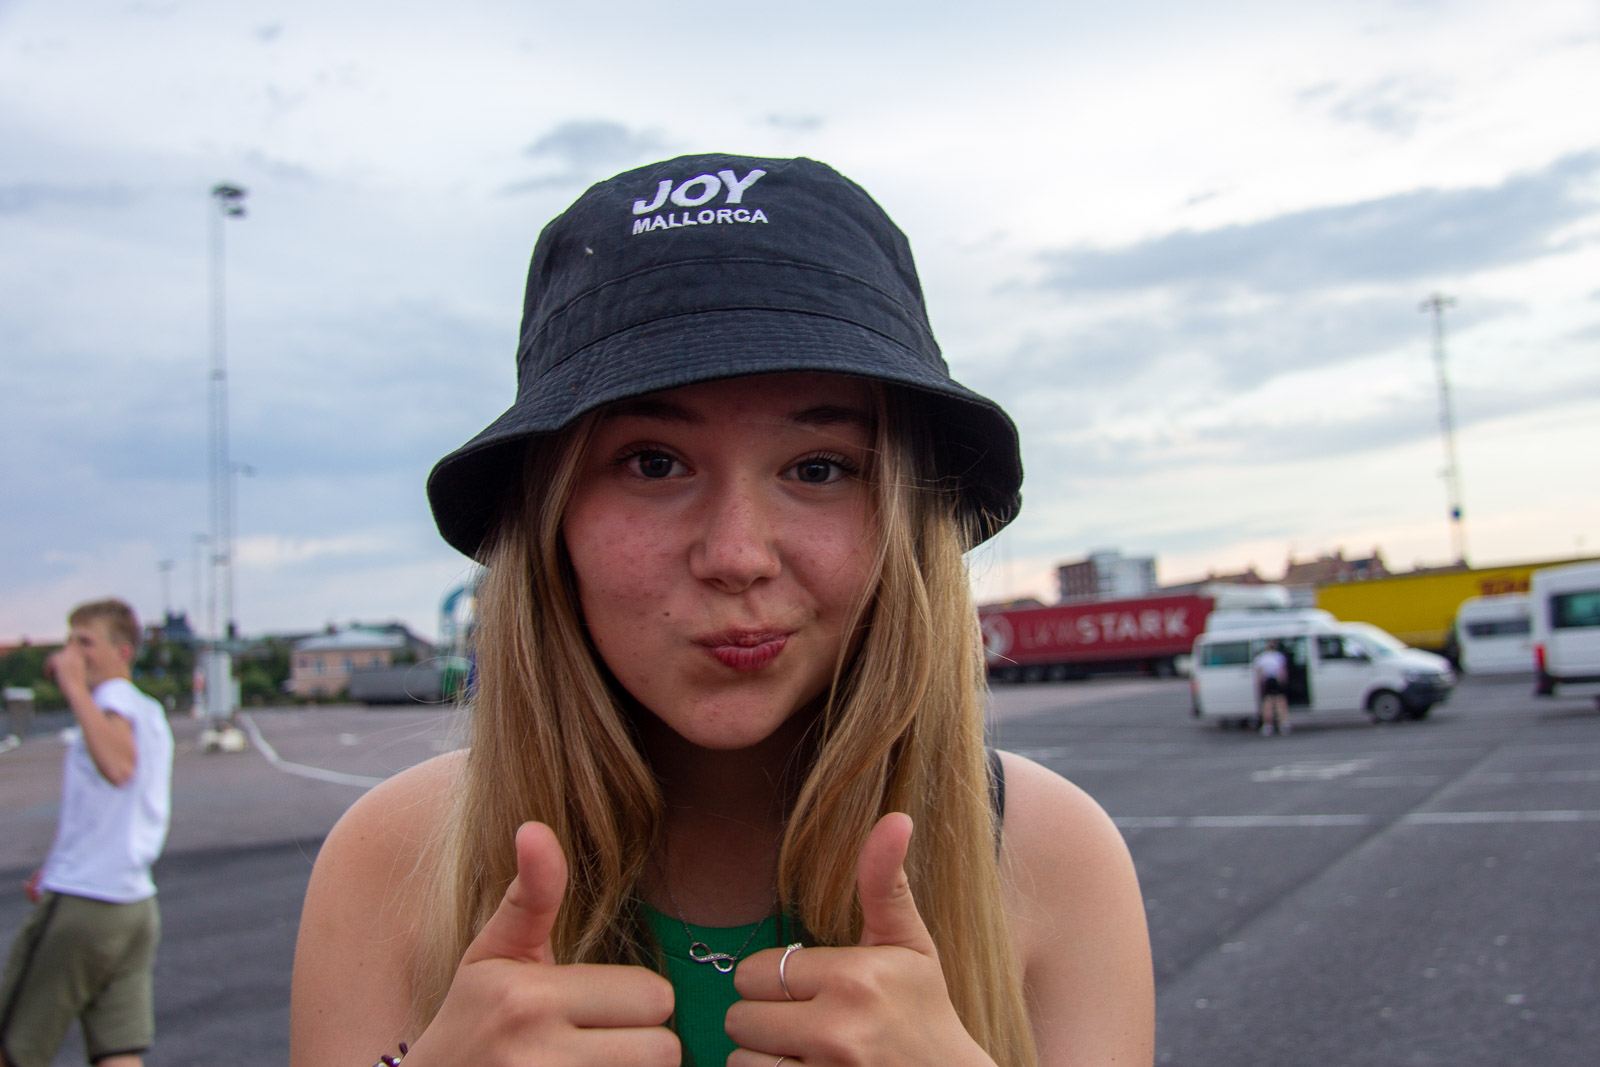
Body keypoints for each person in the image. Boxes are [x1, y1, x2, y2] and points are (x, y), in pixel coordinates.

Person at [290, 153, 1154, 1067]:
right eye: (653, 462)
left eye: (818, 467)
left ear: (908, 519)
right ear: (549, 519)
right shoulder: (392, 857)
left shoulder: (1052, 853)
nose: (738, 555)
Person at [0, 600, 174, 1067]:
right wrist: (58, 863)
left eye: (85, 642)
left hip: (86, 903)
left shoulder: (111, 701)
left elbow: (118, 767)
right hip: (134, 905)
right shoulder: (149, 711)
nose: (71, 653)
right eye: (69, 642)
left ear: (122, 652)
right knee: (118, 1050)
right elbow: (111, 810)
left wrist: (74, 687)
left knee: (15, 1045)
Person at [1253, 640, 1290, 736]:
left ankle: (1268, 725)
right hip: (1276, 680)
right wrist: (1284, 682)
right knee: (1280, 703)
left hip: (1267, 681)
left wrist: (1260, 684)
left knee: (1267, 704)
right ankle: (1283, 725)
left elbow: (1259, 672)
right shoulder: (1279, 656)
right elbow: (1283, 671)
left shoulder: (1261, 657)